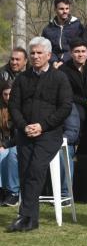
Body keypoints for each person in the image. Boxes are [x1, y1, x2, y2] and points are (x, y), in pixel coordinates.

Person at [7, 37, 73, 232]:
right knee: (25, 170)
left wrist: (42, 126)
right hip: (25, 132)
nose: (35, 56)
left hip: (50, 133)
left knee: (35, 169)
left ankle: (25, 216)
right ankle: (30, 219)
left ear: (49, 55)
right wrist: (24, 125)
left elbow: (65, 107)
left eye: (39, 53)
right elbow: (13, 106)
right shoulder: (22, 78)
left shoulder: (60, 78)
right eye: (32, 53)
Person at [41, 0, 84, 68]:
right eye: (61, 9)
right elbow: (46, 48)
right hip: (52, 62)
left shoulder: (77, 26)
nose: (65, 11)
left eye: (67, 9)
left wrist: (63, 60)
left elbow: (80, 47)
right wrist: (54, 61)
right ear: (55, 9)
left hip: (72, 60)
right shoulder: (48, 29)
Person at [0, 80, 19, 207]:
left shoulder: (22, 109)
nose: (8, 97)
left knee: (10, 153)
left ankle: (13, 192)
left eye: (10, 94)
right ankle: (2, 191)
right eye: (5, 94)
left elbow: (20, 135)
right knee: (2, 154)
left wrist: (4, 145)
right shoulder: (1, 110)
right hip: (4, 144)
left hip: (19, 143)